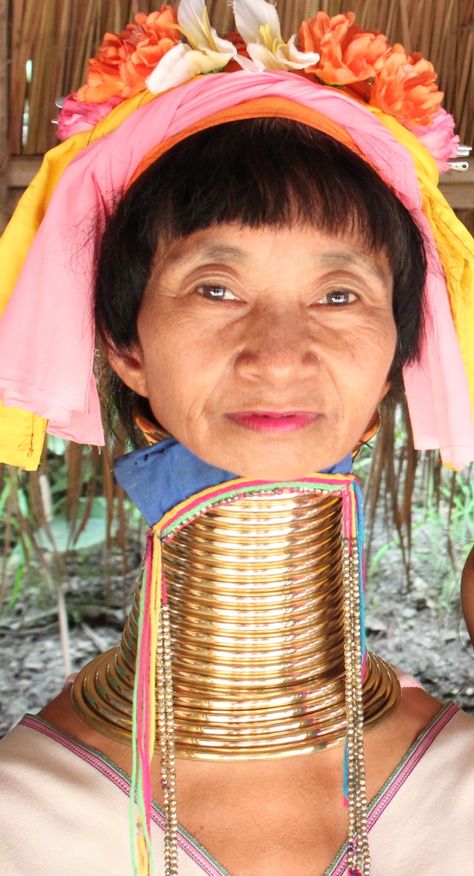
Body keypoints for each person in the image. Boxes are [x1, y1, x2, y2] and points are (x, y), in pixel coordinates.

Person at [0, 3, 473, 875]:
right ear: (126, 347)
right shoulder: (22, 819)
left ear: (396, 354)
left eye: (340, 296)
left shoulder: (461, 789)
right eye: (215, 288)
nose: (280, 356)